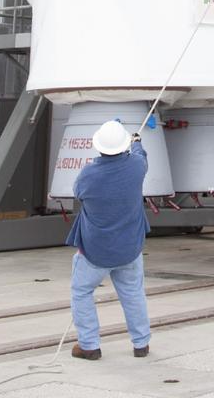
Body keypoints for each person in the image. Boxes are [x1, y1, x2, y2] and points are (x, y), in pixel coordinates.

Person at [66, 119, 151, 360]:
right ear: (123, 145)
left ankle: (89, 345)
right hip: (130, 247)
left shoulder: (88, 174)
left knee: (81, 292)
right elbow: (140, 155)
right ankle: (141, 344)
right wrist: (136, 142)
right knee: (133, 293)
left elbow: (78, 193)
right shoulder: (136, 166)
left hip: (95, 250)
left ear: (98, 146)